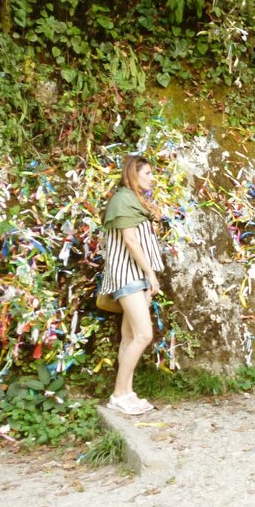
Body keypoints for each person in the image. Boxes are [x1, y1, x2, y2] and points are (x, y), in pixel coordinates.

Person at [99, 155, 164, 416]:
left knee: (129, 337)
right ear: (132, 174)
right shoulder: (124, 199)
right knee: (144, 335)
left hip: (135, 276)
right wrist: (151, 274)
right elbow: (130, 240)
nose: (152, 177)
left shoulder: (134, 201)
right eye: (147, 173)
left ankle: (127, 392)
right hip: (129, 276)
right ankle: (118, 394)